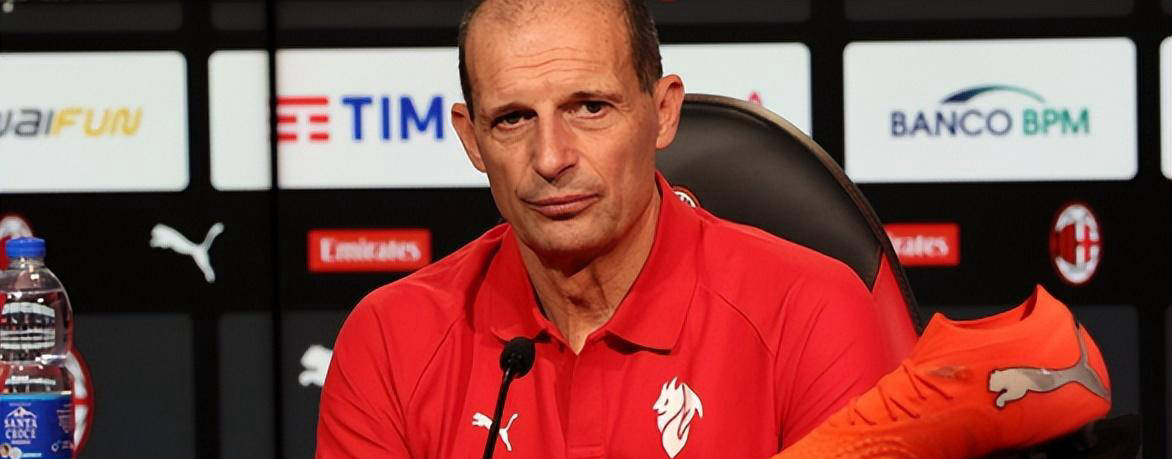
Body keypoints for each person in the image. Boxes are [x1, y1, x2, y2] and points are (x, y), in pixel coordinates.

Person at [316, 0, 896, 457]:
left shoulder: (809, 314)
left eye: (589, 107)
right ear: (472, 140)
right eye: (513, 119)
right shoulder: (390, 340)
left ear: (663, 112)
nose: (551, 158)